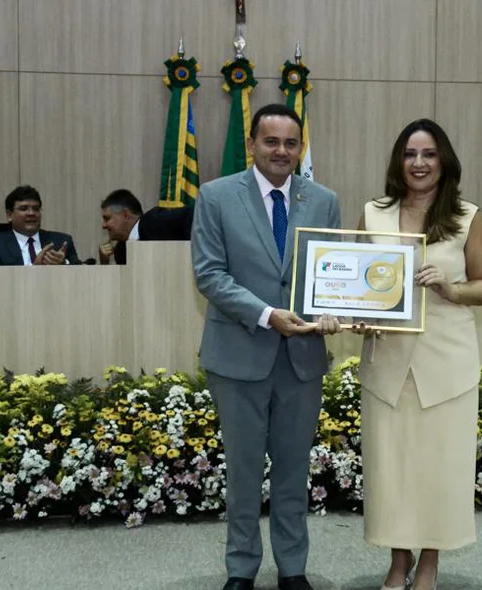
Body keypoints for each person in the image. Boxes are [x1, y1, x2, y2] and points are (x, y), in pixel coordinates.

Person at [191, 104, 342, 590]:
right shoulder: (215, 196)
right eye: (271, 141)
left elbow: (331, 273)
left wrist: (333, 311)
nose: (281, 151)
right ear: (252, 143)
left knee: (294, 472)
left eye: (291, 143)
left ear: (301, 147)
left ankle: (293, 568)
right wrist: (267, 314)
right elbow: (210, 274)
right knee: (243, 472)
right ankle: (241, 568)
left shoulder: (323, 199)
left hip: (302, 361)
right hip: (238, 357)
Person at [354, 119, 482, 590]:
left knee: (439, 469)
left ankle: (430, 562)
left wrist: (450, 288)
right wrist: (351, 312)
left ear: (445, 162)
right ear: (399, 160)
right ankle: (399, 562)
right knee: (391, 470)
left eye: (430, 154)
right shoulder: (373, 214)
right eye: (411, 154)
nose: (419, 163)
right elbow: (355, 286)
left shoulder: (467, 216)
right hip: (387, 365)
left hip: (446, 364)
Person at [0, 185, 80, 266]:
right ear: (9, 215)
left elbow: (82, 273)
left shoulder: (62, 241)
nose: (31, 213)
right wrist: (34, 268)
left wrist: (64, 263)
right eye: (23, 208)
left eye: (36, 209)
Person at [98, 189, 143, 265]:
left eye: (107, 218)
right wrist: (104, 263)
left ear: (125, 215)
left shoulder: (154, 227)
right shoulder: (120, 251)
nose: (104, 226)